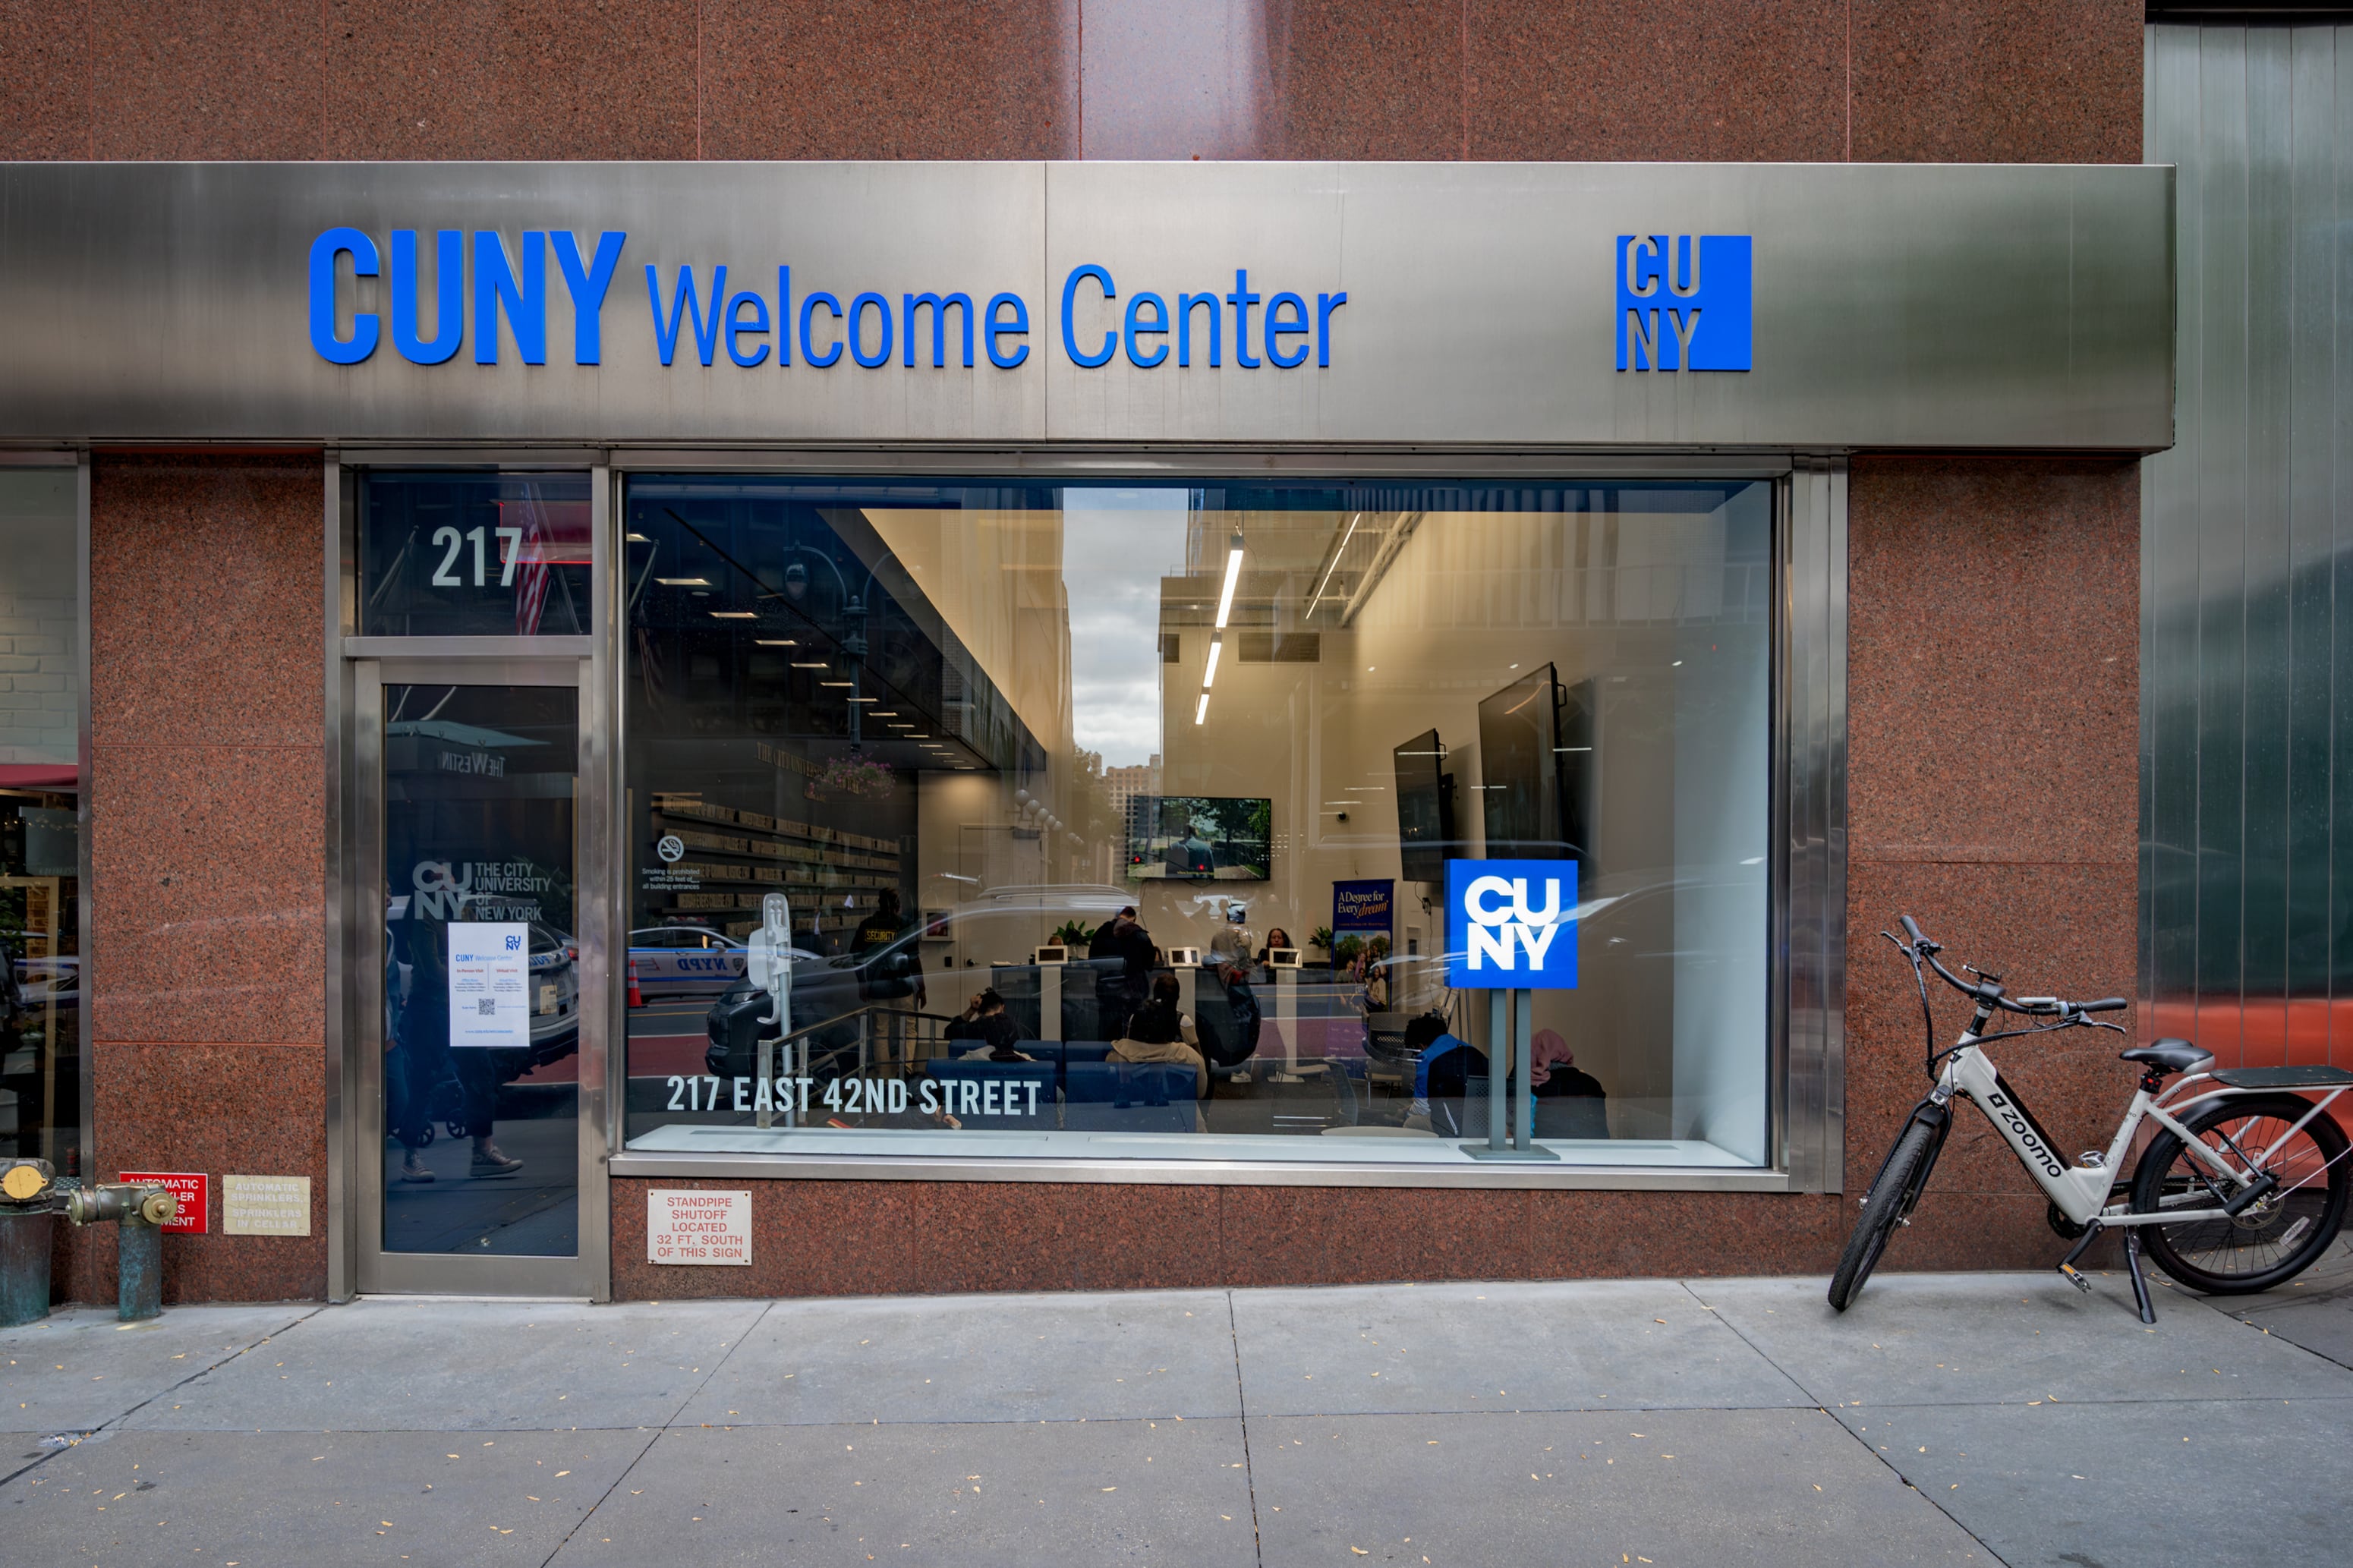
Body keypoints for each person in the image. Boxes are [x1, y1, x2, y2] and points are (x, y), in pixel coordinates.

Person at [1111, 990, 1211, 1129]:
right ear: (1167, 1027)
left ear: (1132, 1028)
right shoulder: (1189, 1055)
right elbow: (1200, 1092)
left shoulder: (1116, 1055)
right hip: (1182, 1124)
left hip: (1127, 1125)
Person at [1088, 905, 1157, 1041]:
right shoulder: (1140, 935)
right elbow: (1149, 965)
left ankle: (1106, 1059)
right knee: (1132, 1032)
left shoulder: (1101, 932)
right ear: (1134, 919)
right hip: (1133, 993)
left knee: (1107, 1031)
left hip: (1107, 992)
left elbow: (1093, 962)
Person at [1529, 1028, 1608, 1138]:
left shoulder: (1532, 1085)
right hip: (1587, 1153)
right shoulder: (1591, 1083)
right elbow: (1601, 1134)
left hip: (1543, 1151)